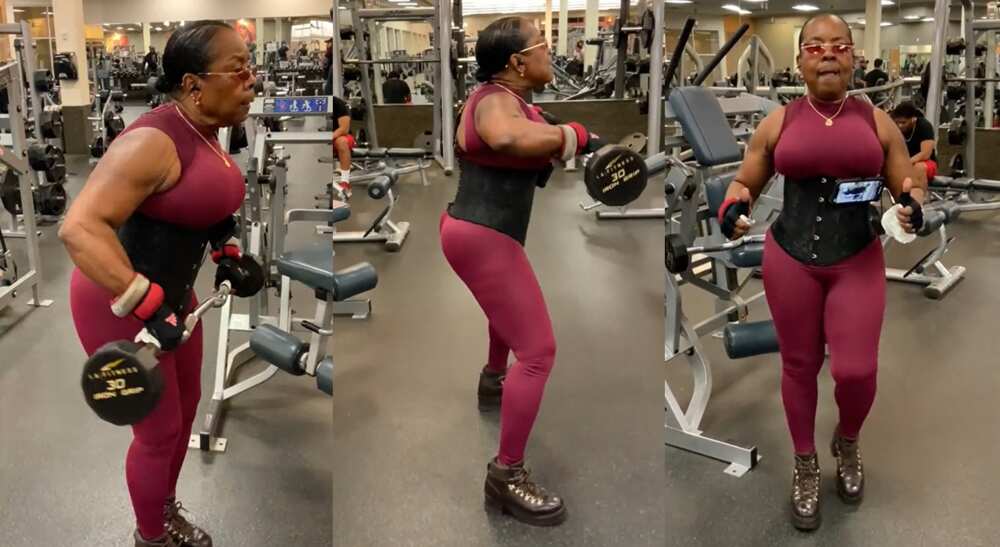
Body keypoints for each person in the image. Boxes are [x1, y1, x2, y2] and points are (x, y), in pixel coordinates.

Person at [717, 13, 926, 532]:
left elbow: (907, 178)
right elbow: (744, 180)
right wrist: (733, 206)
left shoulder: (875, 120)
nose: (827, 53)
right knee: (799, 366)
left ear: (853, 56)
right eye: (816, 47)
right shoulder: (779, 121)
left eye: (838, 46)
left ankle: (847, 439)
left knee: (856, 370)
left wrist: (912, 205)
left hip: (856, 258)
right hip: (789, 258)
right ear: (801, 60)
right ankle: (806, 461)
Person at [60, 21, 260, 547]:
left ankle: (164, 507)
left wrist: (228, 252)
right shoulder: (152, 140)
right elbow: (77, 228)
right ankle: (151, 537)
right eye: (238, 70)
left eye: (251, 66)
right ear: (194, 86)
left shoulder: (206, 130)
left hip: (171, 297)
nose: (252, 80)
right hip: (117, 298)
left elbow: (201, 202)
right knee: (157, 431)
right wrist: (146, 303)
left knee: (187, 405)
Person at [440, 17, 601, 527]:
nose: (550, 54)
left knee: (502, 312)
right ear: (516, 62)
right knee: (537, 353)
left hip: (488, 230)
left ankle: (493, 379)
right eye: (544, 47)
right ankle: (506, 475)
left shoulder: (510, 95)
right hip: (481, 233)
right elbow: (505, 138)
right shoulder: (492, 102)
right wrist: (568, 136)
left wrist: (578, 138)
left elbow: (524, 130)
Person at [890, 101, 938, 185]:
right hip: (905, 162)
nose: (900, 125)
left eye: (903, 122)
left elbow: (925, 154)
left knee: (918, 168)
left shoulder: (924, 126)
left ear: (913, 119)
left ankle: (918, 196)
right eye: (897, 122)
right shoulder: (895, 128)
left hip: (926, 162)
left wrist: (906, 163)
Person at [329, 96, 355, 199]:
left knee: (342, 142)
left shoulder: (337, 103)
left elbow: (344, 129)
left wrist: (329, 137)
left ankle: (345, 182)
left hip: (339, 136)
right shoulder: (313, 103)